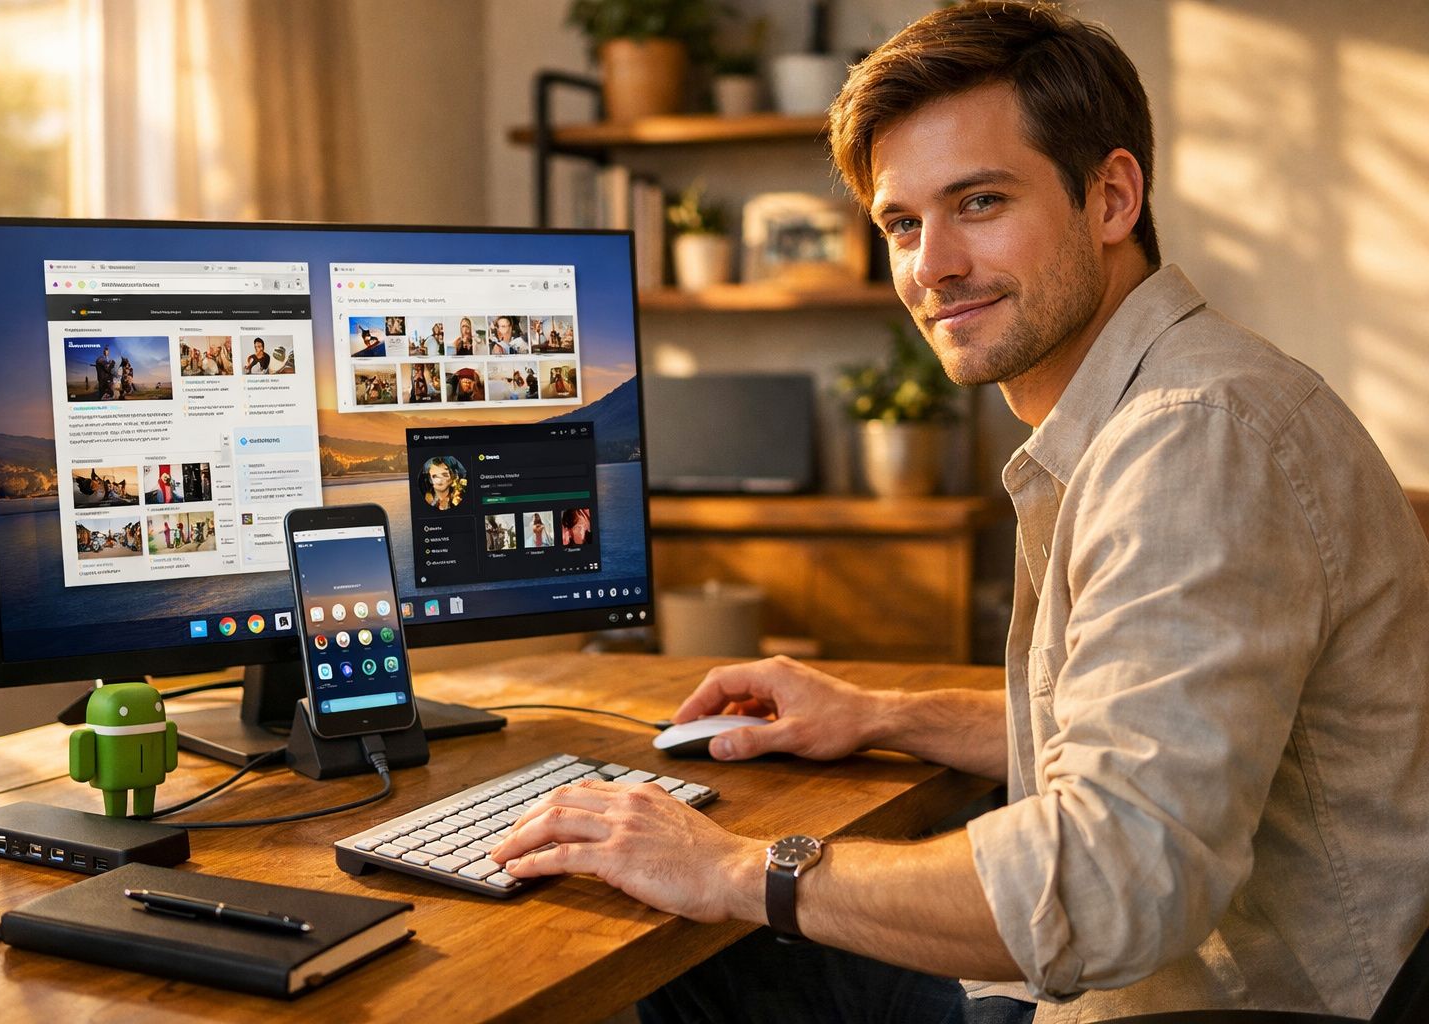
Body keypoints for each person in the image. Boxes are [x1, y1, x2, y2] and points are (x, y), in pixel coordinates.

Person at [487, 4, 1429, 1022]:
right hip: (1156, 983)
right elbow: (1128, 723)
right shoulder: (1161, 407)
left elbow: (1109, 881)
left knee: (696, 938)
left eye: (978, 202)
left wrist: (732, 867)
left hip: (1216, 1003)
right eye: (901, 222)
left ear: (1112, 196)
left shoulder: (1192, 439)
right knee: (708, 949)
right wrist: (881, 714)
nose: (930, 265)